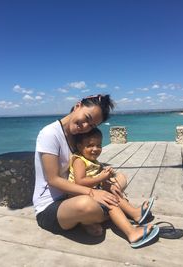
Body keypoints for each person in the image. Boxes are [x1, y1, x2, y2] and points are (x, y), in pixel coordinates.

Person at [32, 94, 158, 248]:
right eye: (86, 117)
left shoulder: (78, 135)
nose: (85, 126)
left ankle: (93, 219)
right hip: (51, 207)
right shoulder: (50, 134)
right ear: (78, 106)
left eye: (91, 125)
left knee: (119, 180)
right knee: (88, 204)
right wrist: (92, 193)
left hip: (72, 194)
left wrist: (103, 183)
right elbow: (53, 179)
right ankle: (104, 221)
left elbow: (87, 167)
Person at [68, 127, 159, 248]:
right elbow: (80, 182)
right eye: (90, 145)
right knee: (111, 203)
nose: (95, 149)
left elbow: (98, 180)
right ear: (79, 146)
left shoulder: (93, 161)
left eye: (99, 145)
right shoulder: (79, 161)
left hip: (91, 192)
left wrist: (107, 179)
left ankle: (135, 213)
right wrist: (101, 178)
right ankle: (132, 233)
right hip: (78, 195)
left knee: (112, 193)